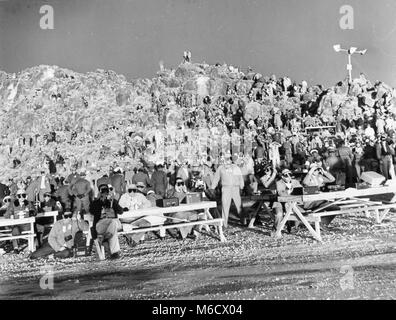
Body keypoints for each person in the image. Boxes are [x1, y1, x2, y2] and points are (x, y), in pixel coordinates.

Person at [90, 184, 124, 259]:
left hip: (113, 223)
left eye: (106, 190)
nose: (105, 192)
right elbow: (92, 211)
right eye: (102, 191)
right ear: (99, 192)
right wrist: (100, 201)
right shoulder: (96, 202)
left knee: (113, 223)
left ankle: (105, 239)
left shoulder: (112, 201)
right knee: (113, 227)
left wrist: (113, 201)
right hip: (101, 224)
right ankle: (114, 253)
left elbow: (120, 211)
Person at [211, 154, 244, 228]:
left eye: (228, 159)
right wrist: (212, 188)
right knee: (225, 206)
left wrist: (242, 187)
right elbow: (216, 178)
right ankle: (224, 224)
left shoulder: (236, 167)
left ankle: (243, 221)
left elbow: (240, 177)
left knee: (239, 205)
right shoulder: (220, 168)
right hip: (226, 188)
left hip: (235, 188)